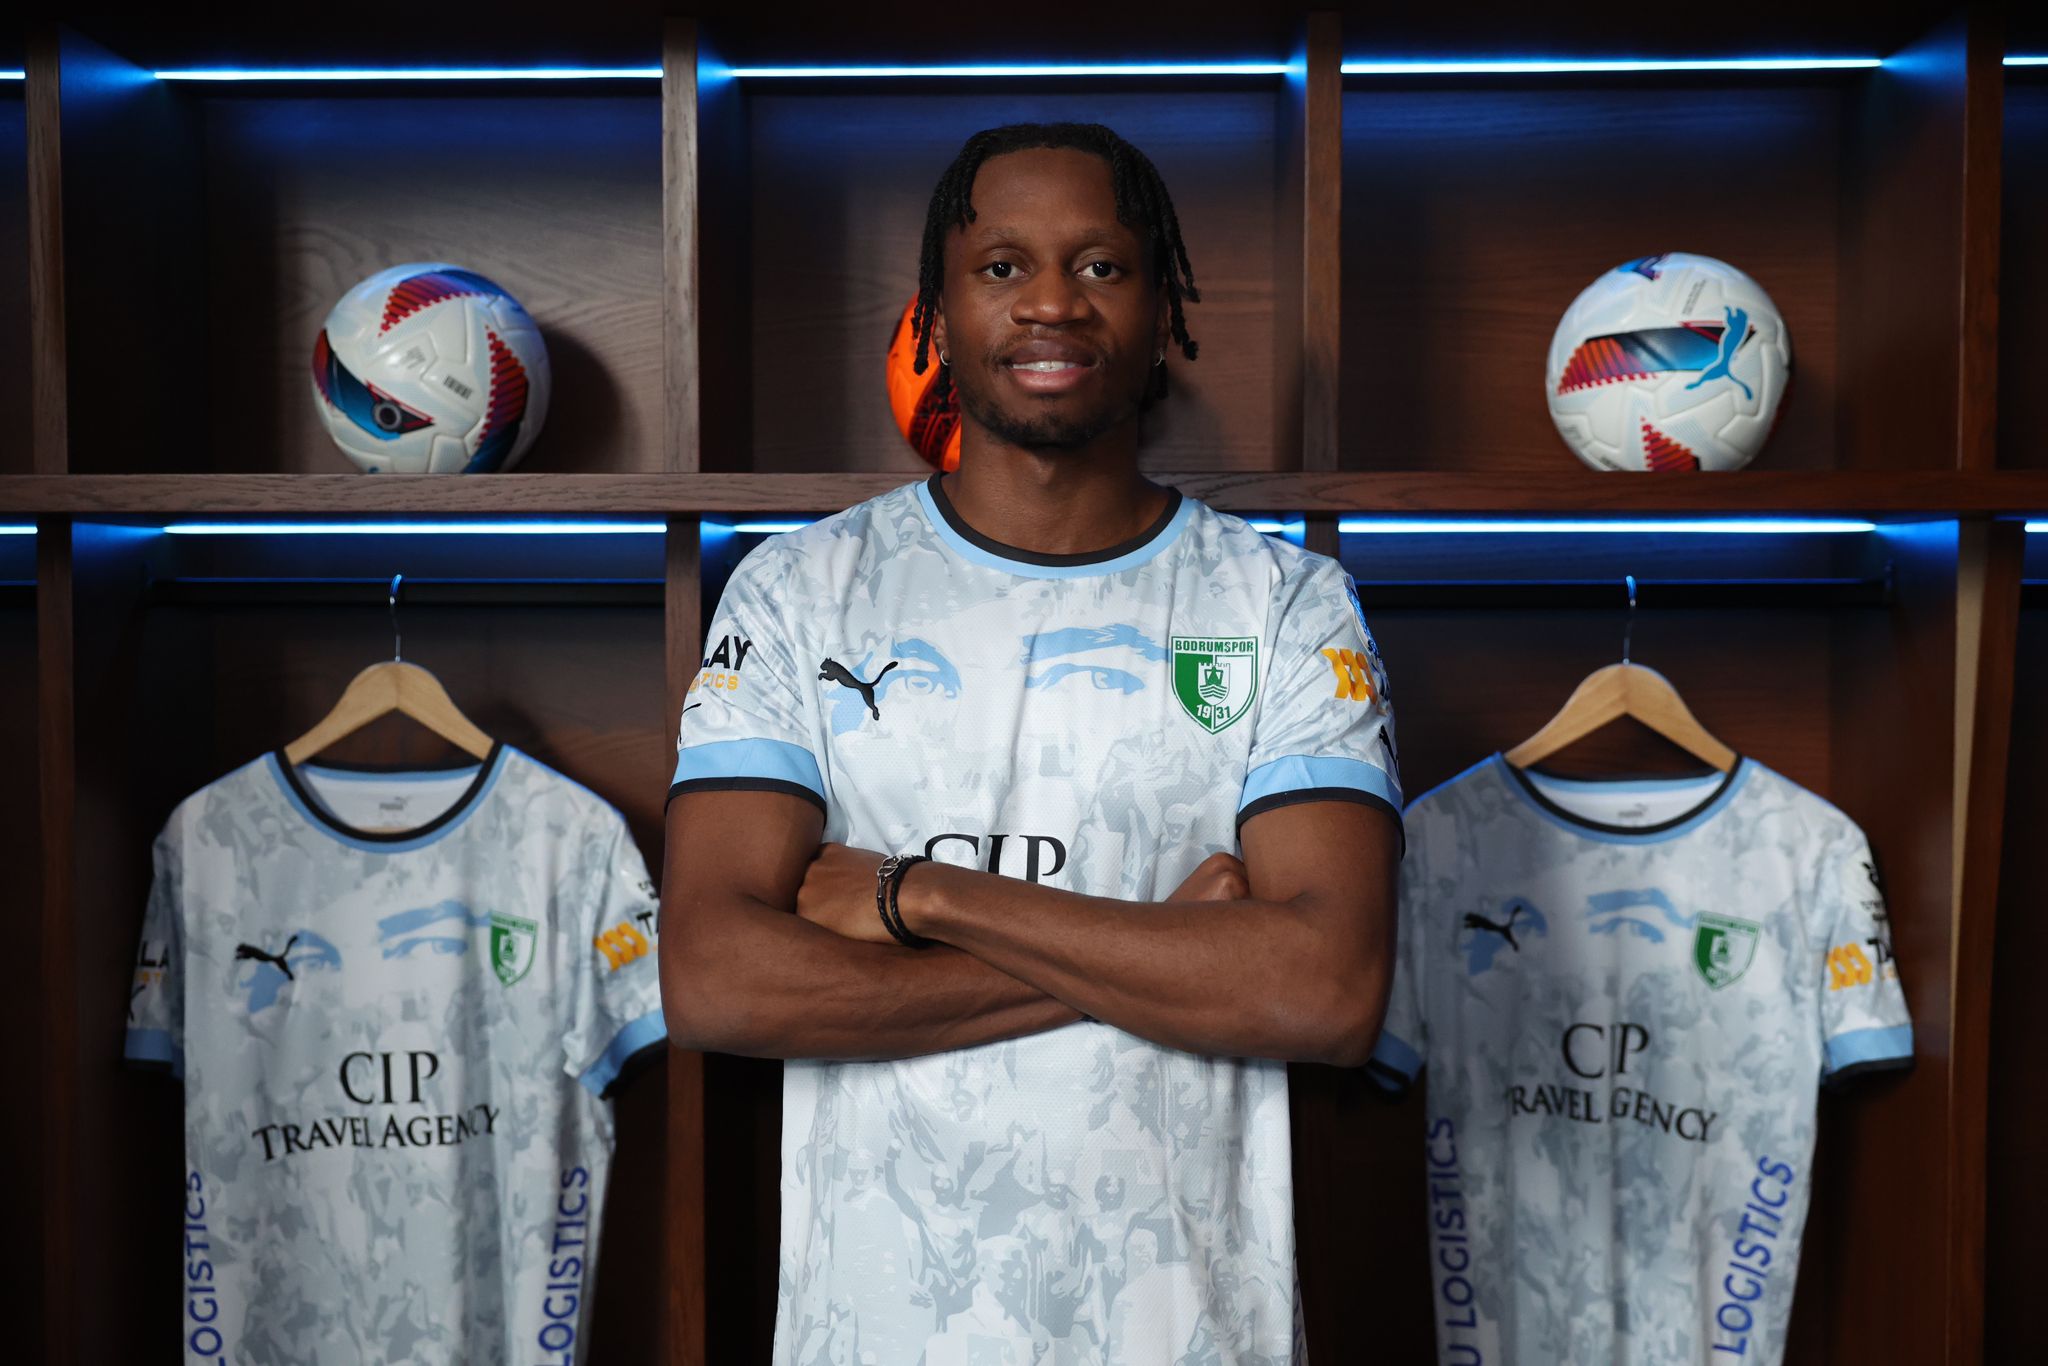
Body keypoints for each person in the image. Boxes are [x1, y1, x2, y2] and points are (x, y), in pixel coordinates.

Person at [660, 121, 1402, 1366]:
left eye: (1100, 265)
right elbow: (713, 979)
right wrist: (1169, 951)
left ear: (1162, 311)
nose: (1052, 301)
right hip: (878, 1334)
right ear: (936, 316)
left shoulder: (1282, 603)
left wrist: (922, 894)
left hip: (1184, 1335)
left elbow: (1323, 990)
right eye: (1001, 266)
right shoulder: (799, 591)